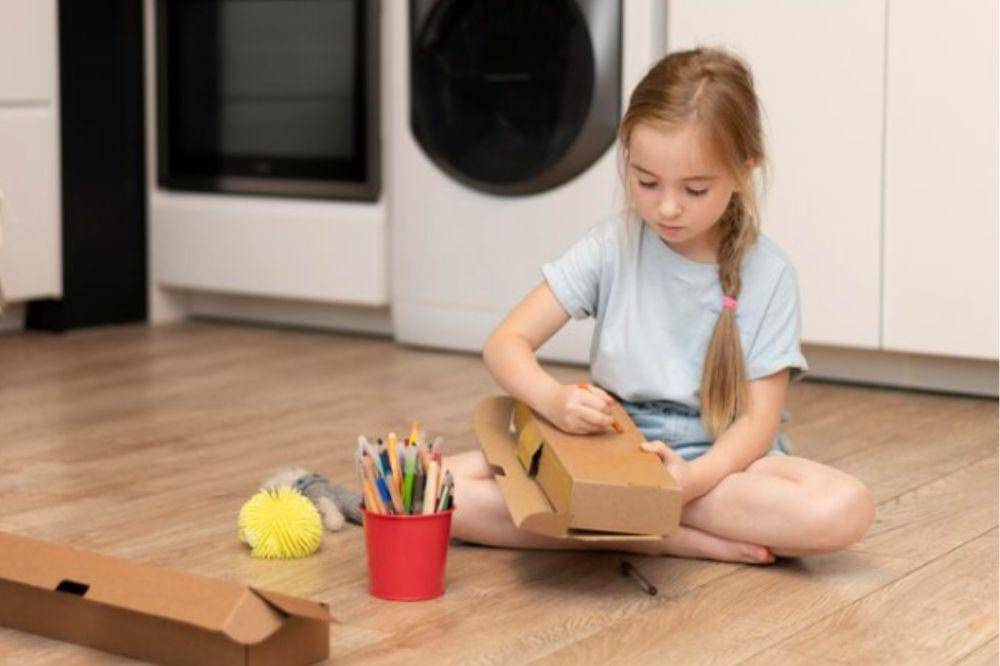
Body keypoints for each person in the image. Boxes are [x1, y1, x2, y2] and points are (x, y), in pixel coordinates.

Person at [444, 47, 875, 564]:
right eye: (646, 182)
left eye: (695, 189)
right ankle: (668, 535)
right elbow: (505, 345)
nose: (666, 207)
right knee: (441, 489)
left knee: (843, 507)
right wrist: (554, 400)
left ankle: (620, 517)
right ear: (627, 157)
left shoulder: (770, 273)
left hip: (721, 468)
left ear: (744, 170)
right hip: (605, 452)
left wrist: (689, 481)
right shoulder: (612, 245)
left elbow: (758, 422)